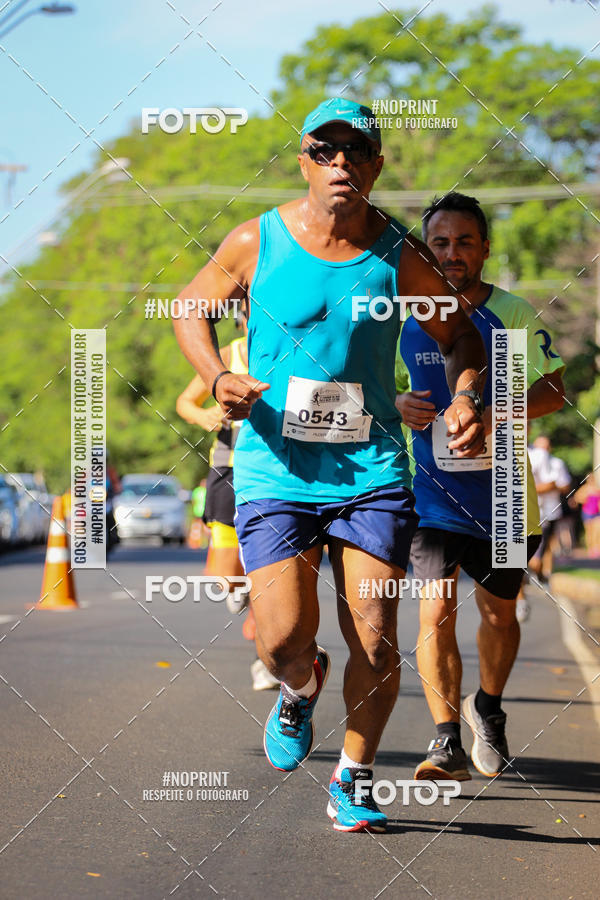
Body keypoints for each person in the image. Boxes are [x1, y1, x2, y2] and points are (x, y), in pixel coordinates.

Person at [174, 98, 487, 833]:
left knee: (374, 635)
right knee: (281, 639)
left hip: (371, 470)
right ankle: (299, 684)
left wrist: (466, 394)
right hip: (274, 467)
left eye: (355, 152)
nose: (339, 163)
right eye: (325, 150)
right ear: (304, 162)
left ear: (375, 167)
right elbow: (189, 308)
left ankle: (354, 777)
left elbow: (462, 337)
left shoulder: (400, 254)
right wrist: (217, 377)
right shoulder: (256, 240)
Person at [395, 192, 565, 781]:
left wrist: (494, 412)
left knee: (498, 616)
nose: (452, 253)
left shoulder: (510, 314)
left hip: (507, 498)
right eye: (439, 242)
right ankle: (446, 740)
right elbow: (372, 385)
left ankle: (487, 709)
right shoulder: (405, 314)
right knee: (435, 612)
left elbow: (554, 390)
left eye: (464, 242)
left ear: (485, 248)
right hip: (432, 496)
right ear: (424, 250)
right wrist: (399, 402)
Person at [176, 321, 278, 691]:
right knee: (225, 576)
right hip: (228, 467)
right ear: (241, 318)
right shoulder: (225, 355)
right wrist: (202, 415)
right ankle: (246, 593)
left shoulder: (288, 350)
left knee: (271, 575)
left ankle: (268, 661)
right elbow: (184, 402)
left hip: (274, 470)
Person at [528, 436, 572, 580]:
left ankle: (544, 574)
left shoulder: (556, 463)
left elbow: (561, 485)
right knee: (519, 558)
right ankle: (532, 577)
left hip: (548, 512)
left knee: (544, 547)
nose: (543, 450)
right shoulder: (525, 456)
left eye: (546, 447)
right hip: (522, 513)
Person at [574, 473, 600, 557]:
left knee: (597, 531)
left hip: (597, 513)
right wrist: (585, 499)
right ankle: (590, 548)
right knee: (589, 532)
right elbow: (577, 497)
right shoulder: (584, 488)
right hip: (587, 512)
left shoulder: (597, 488)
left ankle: (597, 548)